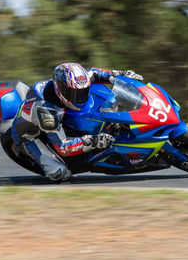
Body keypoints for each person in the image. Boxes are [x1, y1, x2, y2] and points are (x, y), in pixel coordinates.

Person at [11, 62, 143, 182]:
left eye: (83, 92)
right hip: (31, 135)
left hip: (57, 118)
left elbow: (95, 73)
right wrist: (93, 141)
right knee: (59, 174)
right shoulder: (46, 110)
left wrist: (121, 74)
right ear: (61, 89)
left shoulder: (74, 82)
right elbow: (63, 147)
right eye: (74, 94)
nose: (80, 97)